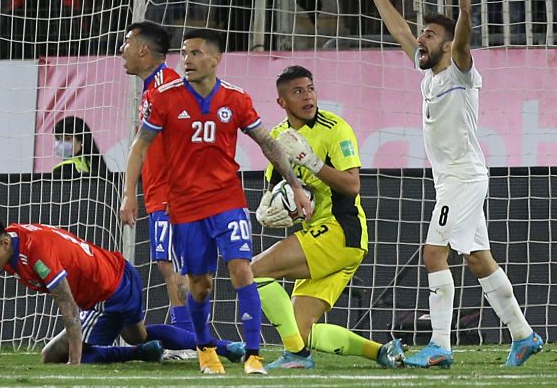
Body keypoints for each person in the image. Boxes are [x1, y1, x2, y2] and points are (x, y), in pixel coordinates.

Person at [356, 0, 544, 367]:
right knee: (477, 259)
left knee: (434, 254)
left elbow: (461, 44)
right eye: (423, 34)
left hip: (463, 178)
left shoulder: (460, 72)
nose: (421, 40)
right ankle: (524, 335)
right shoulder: (429, 78)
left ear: (444, 45)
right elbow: (401, 31)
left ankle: (439, 344)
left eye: (430, 35)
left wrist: (463, 13)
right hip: (454, 180)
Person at [120, 28, 312, 375]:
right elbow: (140, 146)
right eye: (184, 53)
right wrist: (128, 193)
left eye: (195, 53)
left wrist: (295, 186)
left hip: (227, 200)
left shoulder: (236, 99)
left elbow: (267, 142)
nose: (187, 60)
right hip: (184, 206)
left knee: (241, 269)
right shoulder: (165, 97)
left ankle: (253, 355)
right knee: (198, 282)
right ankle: (203, 348)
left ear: (215, 58)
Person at [251, 65, 405, 370]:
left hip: (340, 230)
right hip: (325, 236)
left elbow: (352, 185)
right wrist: (266, 210)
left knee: (252, 272)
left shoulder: (336, 128)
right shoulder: (279, 136)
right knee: (299, 330)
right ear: (282, 102)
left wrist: (311, 161)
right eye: (297, 92)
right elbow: (276, 189)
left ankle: (296, 356)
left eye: (310, 88)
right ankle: (381, 352)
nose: (308, 96)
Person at [0, 216, 245, 365]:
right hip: (121, 272)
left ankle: (138, 354)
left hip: (105, 294)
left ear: (4, 243)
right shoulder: (8, 244)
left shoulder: (36, 252)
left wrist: (75, 363)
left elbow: (67, 304)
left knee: (52, 355)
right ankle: (227, 348)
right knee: (139, 335)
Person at [120, 21, 242, 361]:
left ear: (143, 50)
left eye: (127, 43)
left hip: (174, 196)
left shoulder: (168, 88)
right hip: (162, 193)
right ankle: (196, 341)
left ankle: (197, 343)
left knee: (178, 271)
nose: (122, 50)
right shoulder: (154, 88)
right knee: (170, 267)